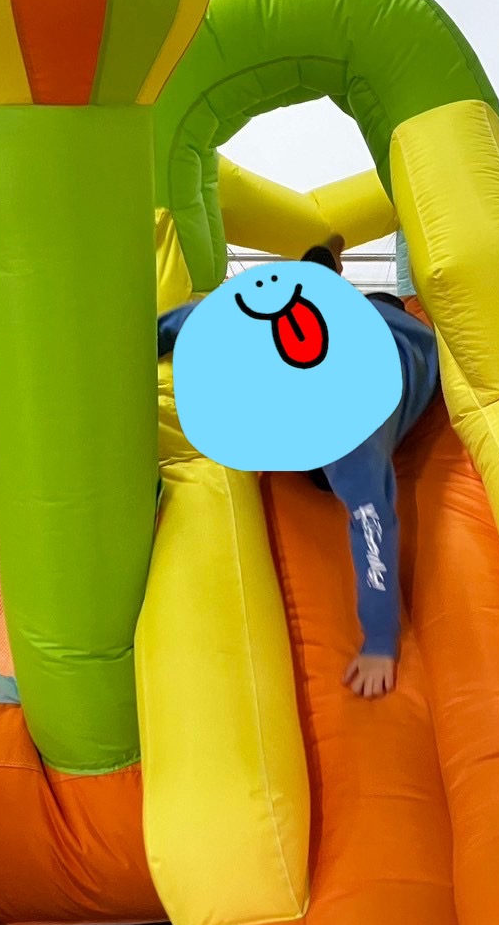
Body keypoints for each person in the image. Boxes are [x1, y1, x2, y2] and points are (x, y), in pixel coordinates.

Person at [156, 235, 440, 699]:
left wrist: (380, 642)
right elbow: (194, 321)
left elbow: (373, 529)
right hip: (334, 322)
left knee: (319, 481)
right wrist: (150, 340)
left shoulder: (354, 436)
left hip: (405, 340)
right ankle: (322, 267)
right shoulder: (249, 330)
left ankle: (329, 273)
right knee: (320, 299)